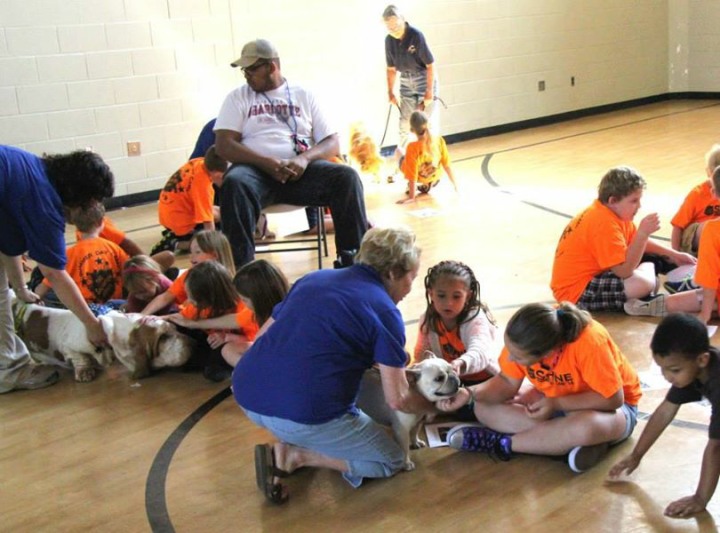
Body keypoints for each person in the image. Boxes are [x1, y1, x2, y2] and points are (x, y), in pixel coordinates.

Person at [233, 227, 430, 504]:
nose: (411, 288)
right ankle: (297, 456)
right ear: (393, 273)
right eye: (412, 277)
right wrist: (437, 405)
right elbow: (397, 400)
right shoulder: (385, 311)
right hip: (300, 411)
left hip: (246, 393)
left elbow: (262, 338)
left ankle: (297, 436)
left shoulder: (314, 278)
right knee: (391, 459)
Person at [214, 38, 368, 269]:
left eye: (252, 69)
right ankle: (242, 270)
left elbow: (332, 142)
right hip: (255, 174)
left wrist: (304, 159)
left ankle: (352, 263)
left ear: (271, 67)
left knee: (347, 178)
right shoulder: (237, 97)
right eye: (244, 70)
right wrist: (265, 162)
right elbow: (223, 145)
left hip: (301, 172)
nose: (246, 75)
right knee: (234, 182)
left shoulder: (304, 95)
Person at [438, 302, 642, 474]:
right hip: (555, 405)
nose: (510, 358)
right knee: (483, 406)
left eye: (518, 357)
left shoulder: (589, 342)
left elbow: (613, 400)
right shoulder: (525, 338)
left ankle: (502, 443)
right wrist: (469, 394)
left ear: (548, 352)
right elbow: (506, 382)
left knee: (586, 427)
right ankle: (560, 442)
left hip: (613, 411)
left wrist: (557, 403)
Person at [0, 145, 114, 392]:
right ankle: (8, 371)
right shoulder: (44, 204)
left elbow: (6, 244)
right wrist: (92, 325)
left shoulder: (31, 167)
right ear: (80, 196)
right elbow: (54, 274)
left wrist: (20, 289)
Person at [609, 313, 720, 518]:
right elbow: (664, 412)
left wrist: (700, 498)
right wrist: (636, 455)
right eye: (663, 369)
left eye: (674, 370)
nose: (668, 376)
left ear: (702, 360)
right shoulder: (693, 368)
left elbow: (715, 448)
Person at [550, 166, 696, 313]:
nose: (639, 206)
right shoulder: (603, 223)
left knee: (650, 262)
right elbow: (624, 271)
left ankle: (649, 283)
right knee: (643, 283)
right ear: (613, 200)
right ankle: (650, 284)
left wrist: (674, 255)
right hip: (577, 293)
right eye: (634, 201)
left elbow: (634, 240)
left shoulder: (613, 213)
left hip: (591, 278)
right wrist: (643, 234)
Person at [168, 259, 287, 370]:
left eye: (245, 300)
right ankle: (249, 371)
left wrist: (228, 337)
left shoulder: (281, 315)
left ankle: (253, 373)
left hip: (281, 357)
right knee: (227, 350)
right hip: (266, 353)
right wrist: (194, 324)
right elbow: (234, 320)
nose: (243, 303)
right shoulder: (254, 311)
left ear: (259, 298)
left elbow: (260, 343)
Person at [170, 260, 258, 382]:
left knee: (213, 371)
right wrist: (154, 318)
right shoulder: (199, 306)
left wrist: (227, 337)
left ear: (210, 297)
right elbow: (181, 318)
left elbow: (254, 341)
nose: (189, 301)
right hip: (212, 339)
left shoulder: (245, 307)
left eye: (193, 297)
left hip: (234, 343)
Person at [413, 260, 498, 384]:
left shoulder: (475, 319)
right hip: (451, 380)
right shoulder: (428, 320)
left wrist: (461, 363)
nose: (449, 303)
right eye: (441, 295)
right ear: (431, 294)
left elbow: (480, 351)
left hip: (487, 379)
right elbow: (422, 355)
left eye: (456, 296)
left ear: (468, 296)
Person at [35, 203, 129, 306]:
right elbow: (130, 275)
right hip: (114, 305)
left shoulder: (68, 254)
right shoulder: (114, 248)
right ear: (101, 222)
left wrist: (34, 298)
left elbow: (45, 286)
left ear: (76, 225)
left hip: (85, 308)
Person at [383, 5, 438, 179]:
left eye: (396, 25)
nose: (393, 30)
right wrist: (390, 91)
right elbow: (391, 69)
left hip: (423, 77)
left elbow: (430, 65)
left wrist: (429, 91)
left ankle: (431, 164)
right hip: (406, 80)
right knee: (405, 125)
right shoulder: (389, 41)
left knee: (425, 124)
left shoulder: (416, 35)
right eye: (389, 27)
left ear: (403, 20)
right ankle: (405, 164)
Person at [151, 146, 228, 254]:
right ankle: (176, 243)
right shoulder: (203, 187)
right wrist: (213, 247)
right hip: (179, 223)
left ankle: (176, 234)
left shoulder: (198, 162)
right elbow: (208, 223)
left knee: (221, 212)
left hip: (169, 215)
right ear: (217, 174)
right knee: (218, 235)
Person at [141, 230, 235, 316]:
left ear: (214, 255)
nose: (191, 257)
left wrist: (162, 318)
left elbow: (192, 316)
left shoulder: (221, 282)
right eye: (191, 252)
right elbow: (166, 297)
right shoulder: (190, 274)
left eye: (197, 252)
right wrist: (142, 315)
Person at [396, 111, 458, 204]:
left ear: (412, 130)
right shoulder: (439, 140)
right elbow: (447, 165)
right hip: (435, 178)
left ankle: (417, 185)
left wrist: (411, 197)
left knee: (398, 151)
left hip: (419, 179)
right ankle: (429, 183)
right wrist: (455, 185)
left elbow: (412, 174)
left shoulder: (412, 147)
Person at [670, 144, 720, 255]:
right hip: (693, 238)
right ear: (708, 172)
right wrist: (675, 254)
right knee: (709, 226)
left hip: (715, 236)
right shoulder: (697, 194)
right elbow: (678, 226)